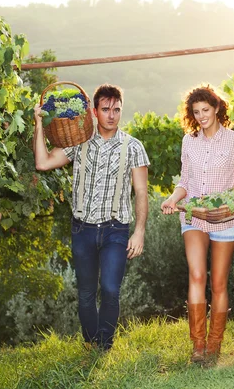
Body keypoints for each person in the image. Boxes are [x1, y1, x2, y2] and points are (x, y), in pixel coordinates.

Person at [33, 83, 150, 351]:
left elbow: (141, 192)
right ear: (94, 112)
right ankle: (90, 343)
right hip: (82, 229)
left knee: (110, 289)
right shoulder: (78, 142)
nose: (112, 115)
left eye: (117, 110)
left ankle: (105, 346)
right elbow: (42, 163)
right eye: (106, 109)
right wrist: (39, 124)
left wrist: (139, 231)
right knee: (85, 293)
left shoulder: (134, 147)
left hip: (115, 230)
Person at [161, 84, 234, 364]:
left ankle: (214, 345)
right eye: (196, 112)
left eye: (206, 110)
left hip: (225, 218)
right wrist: (173, 198)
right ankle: (198, 345)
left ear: (217, 108)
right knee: (196, 275)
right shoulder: (188, 141)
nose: (202, 116)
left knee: (218, 283)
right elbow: (184, 181)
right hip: (193, 215)